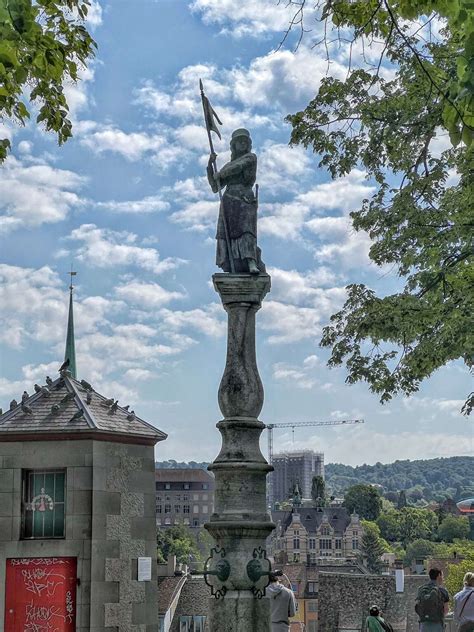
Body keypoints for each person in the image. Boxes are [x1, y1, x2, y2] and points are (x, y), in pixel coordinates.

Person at [207, 128, 265, 275]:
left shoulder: (251, 158)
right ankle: (229, 261)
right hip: (229, 201)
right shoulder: (227, 166)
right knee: (227, 233)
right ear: (234, 145)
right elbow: (216, 187)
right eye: (239, 141)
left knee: (247, 231)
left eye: (245, 141)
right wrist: (210, 167)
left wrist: (219, 174)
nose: (242, 144)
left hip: (245, 199)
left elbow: (238, 167)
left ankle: (251, 261)